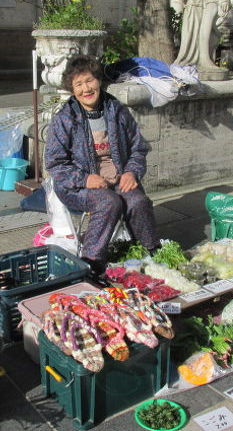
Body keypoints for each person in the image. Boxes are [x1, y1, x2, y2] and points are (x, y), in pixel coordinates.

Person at [44, 55, 159, 275]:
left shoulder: (117, 111)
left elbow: (138, 148)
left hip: (117, 178)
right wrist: (86, 179)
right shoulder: (65, 119)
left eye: (89, 81)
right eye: (78, 84)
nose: (86, 89)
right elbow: (55, 164)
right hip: (77, 186)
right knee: (108, 202)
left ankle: (151, 253)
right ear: (72, 90)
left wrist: (131, 172)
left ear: (98, 81)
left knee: (138, 201)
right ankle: (91, 262)